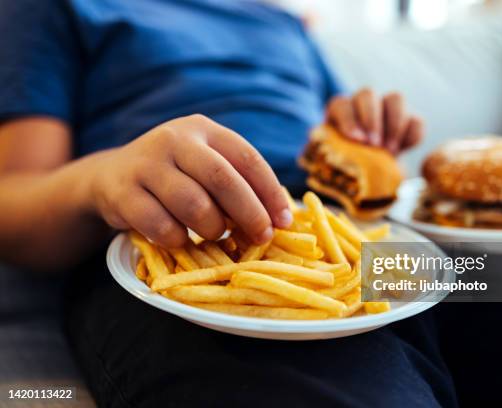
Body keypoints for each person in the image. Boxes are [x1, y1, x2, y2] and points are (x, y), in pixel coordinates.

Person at [0, 1, 456, 407]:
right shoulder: (56, 8)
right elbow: (12, 202)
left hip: (357, 244)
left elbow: (332, 133)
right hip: (179, 250)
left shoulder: (283, 22)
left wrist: (365, 136)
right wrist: (101, 176)